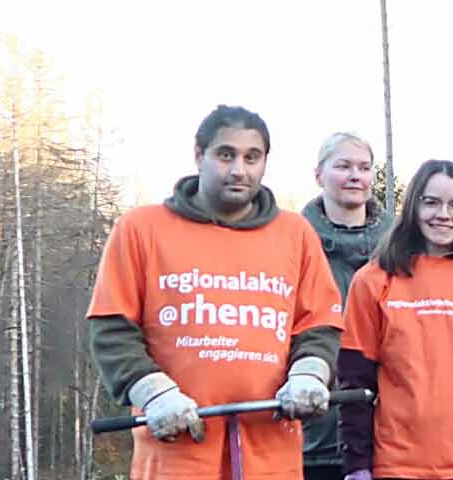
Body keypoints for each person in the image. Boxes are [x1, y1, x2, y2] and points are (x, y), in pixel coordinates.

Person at [87, 105, 343, 479]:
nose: (239, 169)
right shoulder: (142, 229)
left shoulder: (295, 234)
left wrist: (309, 374)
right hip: (176, 453)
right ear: (198, 155)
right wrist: (153, 393)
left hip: (271, 455)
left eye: (252, 157)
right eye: (226, 155)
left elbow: (319, 324)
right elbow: (112, 329)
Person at [337, 160, 453, 480]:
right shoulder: (374, 279)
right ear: (413, 206)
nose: (443, 215)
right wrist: (358, 465)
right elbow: (356, 378)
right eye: (431, 202)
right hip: (395, 465)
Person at [299, 132, 394, 480]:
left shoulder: (401, 245)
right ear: (319, 175)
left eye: (364, 167)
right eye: (343, 166)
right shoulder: (293, 242)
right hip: (311, 434)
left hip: (389, 436)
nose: (356, 175)